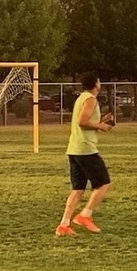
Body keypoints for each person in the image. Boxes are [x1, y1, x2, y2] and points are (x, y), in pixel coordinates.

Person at [56, 73, 115, 237]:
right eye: (99, 80)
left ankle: (64, 225)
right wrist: (101, 126)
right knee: (104, 184)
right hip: (85, 149)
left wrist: (102, 121)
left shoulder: (82, 98)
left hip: (74, 149)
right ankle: (85, 215)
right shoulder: (90, 99)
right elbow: (83, 121)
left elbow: (86, 120)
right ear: (95, 84)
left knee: (78, 189)